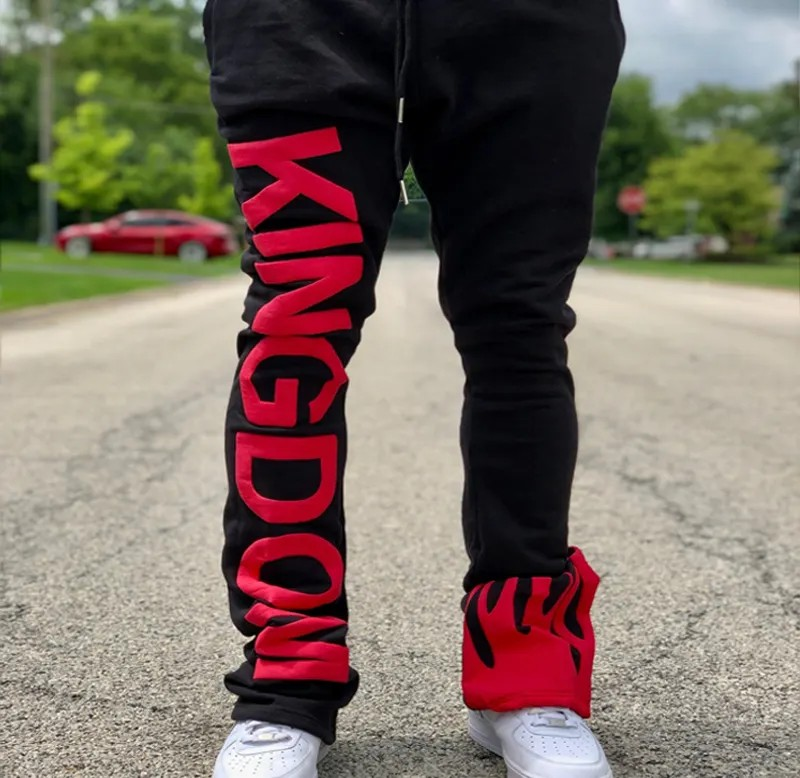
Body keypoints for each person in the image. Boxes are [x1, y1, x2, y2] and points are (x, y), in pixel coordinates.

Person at [203, 1, 625, 776]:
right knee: (295, 328)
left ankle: (528, 672)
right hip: (296, 21)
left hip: (533, 22)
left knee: (520, 328)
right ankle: (286, 680)